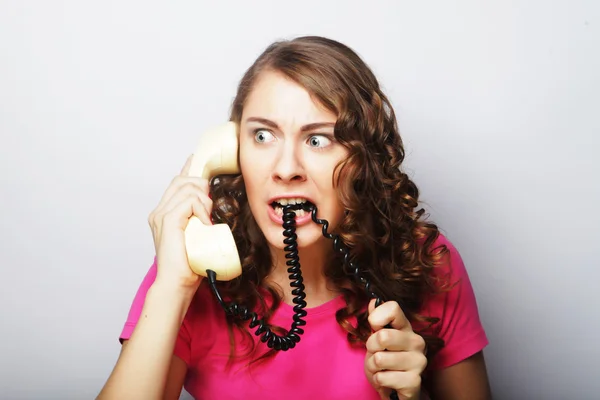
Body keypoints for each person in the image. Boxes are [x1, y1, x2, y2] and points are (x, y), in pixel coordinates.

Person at [97, 36, 491, 400]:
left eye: (318, 139)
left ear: (362, 161)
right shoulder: (190, 272)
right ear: (232, 151)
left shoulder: (427, 262)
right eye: (263, 136)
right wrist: (173, 287)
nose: (286, 169)